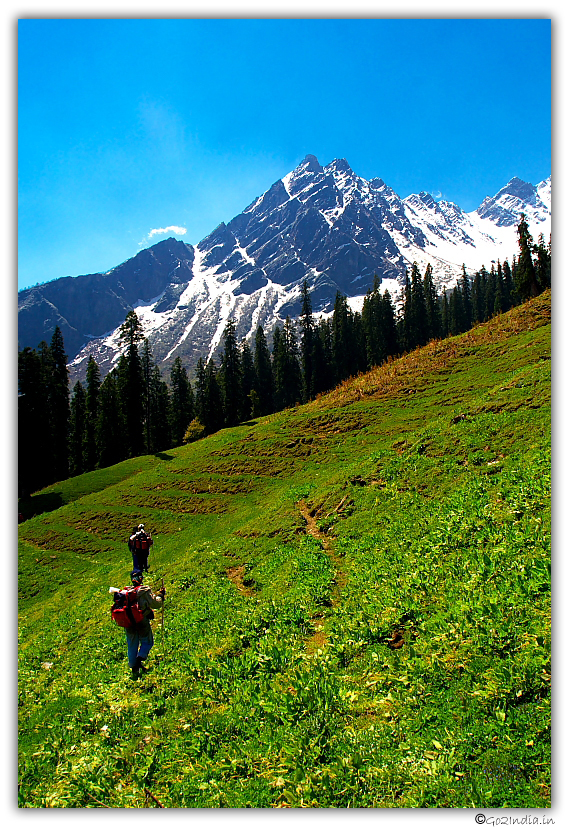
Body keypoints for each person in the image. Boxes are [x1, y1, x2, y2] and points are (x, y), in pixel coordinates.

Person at [124, 570, 165, 677]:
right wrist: (160, 596)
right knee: (147, 641)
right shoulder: (144, 590)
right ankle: (139, 659)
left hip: (128, 622)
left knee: (132, 643)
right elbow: (155, 604)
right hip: (141, 619)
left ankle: (134, 668)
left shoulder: (126, 591)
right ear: (141, 578)